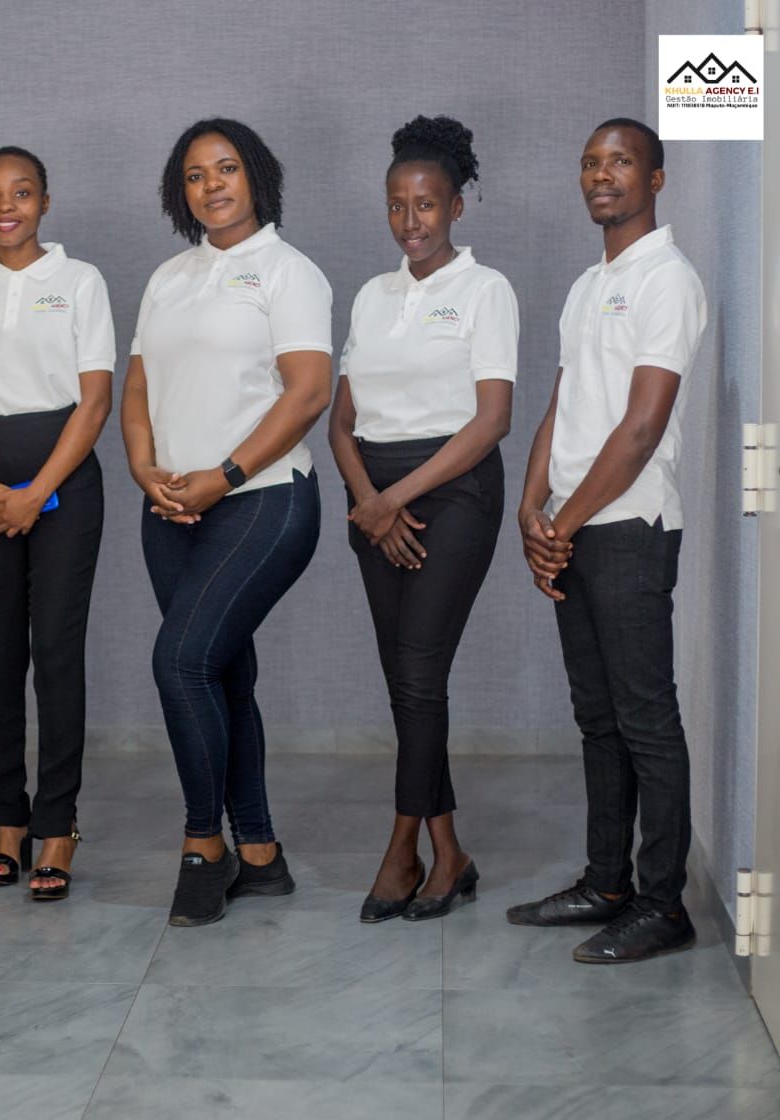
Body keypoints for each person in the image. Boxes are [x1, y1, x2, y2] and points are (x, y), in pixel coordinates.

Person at [122, 117, 332, 927]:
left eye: (227, 169)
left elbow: (307, 392)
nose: (212, 186)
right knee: (221, 672)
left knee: (181, 663)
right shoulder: (168, 277)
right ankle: (262, 854)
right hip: (170, 505)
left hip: (263, 498)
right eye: (196, 175)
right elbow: (137, 385)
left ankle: (202, 843)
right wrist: (145, 468)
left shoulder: (288, 272)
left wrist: (226, 475)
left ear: (257, 177)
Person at [509, 118, 706, 963]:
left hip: (628, 529)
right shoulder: (590, 284)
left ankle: (664, 905)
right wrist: (531, 501)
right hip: (575, 524)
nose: (602, 175)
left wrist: (564, 520)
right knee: (598, 721)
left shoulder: (669, 280)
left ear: (656, 178)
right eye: (590, 162)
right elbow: (565, 399)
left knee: (645, 720)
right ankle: (606, 881)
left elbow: (639, 428)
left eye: (621, 162)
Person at [330, 115, 517, 923]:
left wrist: (392, 501)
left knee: (418, 674)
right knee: (408, 684)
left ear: (457, 207)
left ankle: (403, 847)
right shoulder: (372, 298)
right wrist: (368, 502)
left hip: (454, 489)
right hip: (373, 499)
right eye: (398, 206)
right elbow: (340, 421)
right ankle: (451, 852)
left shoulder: (486, 290)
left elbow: (492, 421)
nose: (412, 221)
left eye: (428, 205)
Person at [0, 146, 113, 901]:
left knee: (55, 651)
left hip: (63, 479)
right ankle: (8, 820)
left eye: (20, 192)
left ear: (45, 200)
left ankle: (57, 825)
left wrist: (34, 488)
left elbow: (96, 401)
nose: (4, 205)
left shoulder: (79, 282)